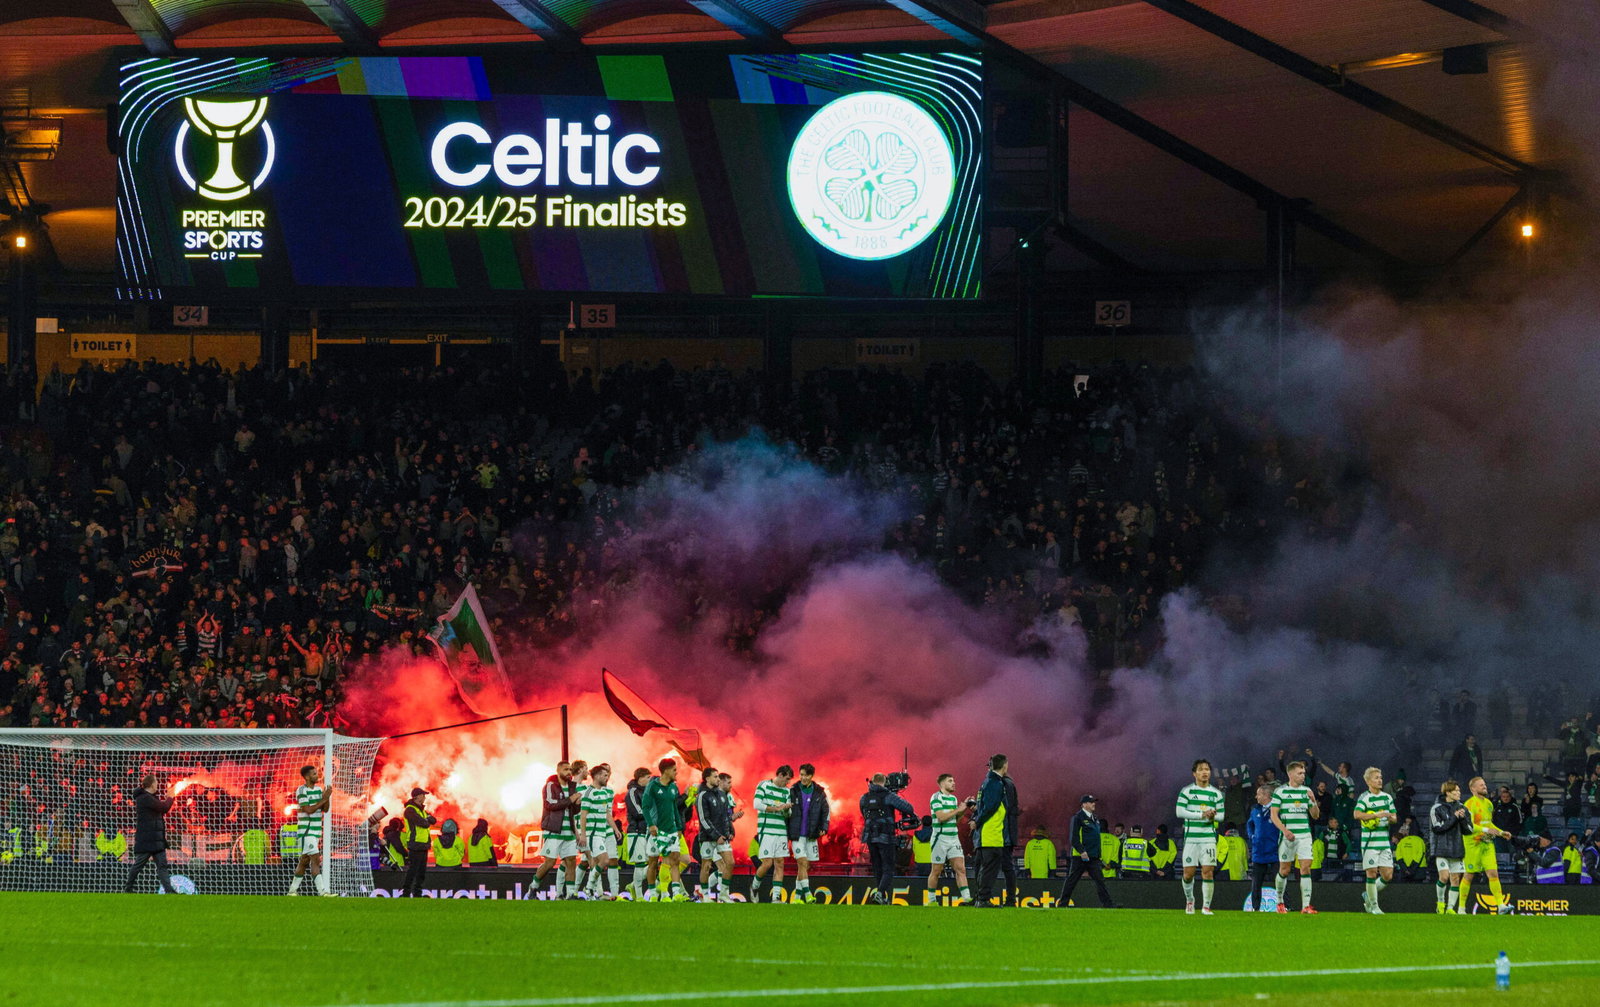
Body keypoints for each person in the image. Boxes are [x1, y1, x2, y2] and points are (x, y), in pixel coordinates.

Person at [1459, 775, 1514, 915]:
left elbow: (1488, 823)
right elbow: (1470, 825)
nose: (1484, 786)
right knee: (1469, 875)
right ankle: (1461, 908)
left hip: (1487, 843)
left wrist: (1501, 832)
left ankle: (1500, 905)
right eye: (1481, 785)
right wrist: (1486, 830)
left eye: (1484, 784)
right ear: (1473, 789)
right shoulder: (1469, 805)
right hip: (1473, 844)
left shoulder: (1489, 804)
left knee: (1493, 873)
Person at [1175, 758, 1224, 915]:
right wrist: (1202, 814)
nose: (1205, 772)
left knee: (1208, 871)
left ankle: (1206, 906)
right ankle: (1190, 900)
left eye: (1207, 769)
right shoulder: (1187, 791)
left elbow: (1221, 816)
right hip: (1191, 838)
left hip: (1208, 838)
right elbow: (1180, 812)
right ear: (1194, 773)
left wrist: (1212, 816)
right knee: (1188, 874)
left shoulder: (1216, 793)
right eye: (1201, 769)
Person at [1270, 760, 1319, 914]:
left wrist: (1314, 801)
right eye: (1299, 773)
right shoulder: (1280, 792)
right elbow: (1274, 815)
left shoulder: (1307, 791)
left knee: (1305, 868)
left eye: (1304, 773)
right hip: (1287, 837)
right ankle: (1279, 901)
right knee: (1284, 870)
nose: (1303, 776)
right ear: (1290, 774)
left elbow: (1315, 816)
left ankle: (1305, 906)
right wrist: (1285, 831)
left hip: (1304, 835)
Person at [971, 754, 1019, 908]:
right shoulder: (996, 783)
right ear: (1005, 766)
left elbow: (995, 807)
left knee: (989, 866)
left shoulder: (994, 782)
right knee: (990, 866)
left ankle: (984, 897)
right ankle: (983, 898)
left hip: (996, 833)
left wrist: (977, 819)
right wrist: (978, 818)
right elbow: (995, 807)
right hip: (993, 832)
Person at [860, 772, 916, 905]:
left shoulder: (864, 797)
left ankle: (882, 896)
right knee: (888, 867)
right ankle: (880, 894)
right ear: (885, 782)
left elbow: (863, 814)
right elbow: (909, 808)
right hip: (886, 837)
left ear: (872, 782)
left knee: (877, 867)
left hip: (870, 837)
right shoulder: (889, 796)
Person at [1055, 795, 1116, 908]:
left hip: (1093, 857)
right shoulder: (1078, 818)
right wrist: (1082, 851)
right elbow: (1073, 838)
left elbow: (1096, 838)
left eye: (1094, 802)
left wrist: (1098, 855)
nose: (1094, 804)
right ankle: (1063, 904)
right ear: (1084, 804)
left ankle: (1108, 905)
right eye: (1091, 802)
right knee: (1072, 880)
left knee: (1100, 881)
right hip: (1081, 856)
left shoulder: (1095, 818)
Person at [532, 761, 582, 899]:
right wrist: (571, 799)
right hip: (554, 830)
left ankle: (570, 894)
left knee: (571, 861)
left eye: (570, 770)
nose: (569, 772)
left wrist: (578, 804)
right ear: (558, 770)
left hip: (569, 831)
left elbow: (574, 810)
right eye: (566, 769)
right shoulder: (550, 785)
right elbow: (549, 804)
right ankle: (533, 886)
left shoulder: (573, 787)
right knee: (550, 863)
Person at [1352, 766, 1398, 914]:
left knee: (1388, 875)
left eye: (1380, 778)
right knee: (1371, 873)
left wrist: (1390, 818)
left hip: (1384, 842)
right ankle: (1374, 906)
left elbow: (1394, 818)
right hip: (1369, 842)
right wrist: (1375, 816)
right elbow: (1357, 814)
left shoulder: (1387, 797)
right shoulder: (1364, 798)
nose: (1380, 780)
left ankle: (1368, 894)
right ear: (1368, 781)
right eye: (1376, 778)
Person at [642, 758, 689, 902]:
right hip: (656, 831)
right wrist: (651, 825)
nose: (677, 772)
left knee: (674, 860)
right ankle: (653, 893)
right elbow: (645, 806)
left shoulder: (674, 787)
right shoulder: (653, 786)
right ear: (666, 770)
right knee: (653, 863)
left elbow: (675, 808)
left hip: (671, 830)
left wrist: (679, 826)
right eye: (674, 769)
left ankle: (674, 894)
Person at [123, 775, 176, 894]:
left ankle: (169, 891)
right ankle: (128, 888)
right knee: (138, 865)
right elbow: (164, 808)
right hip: (148, 839)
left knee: (162, 866)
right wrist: (170, 797)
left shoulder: (150, 797)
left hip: (156, 839)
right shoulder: (144, 798)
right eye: (156, 782)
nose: (158, 784)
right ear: (152, 784)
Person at [928, 773, 975, 905]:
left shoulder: (953, 799)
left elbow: (956, 820)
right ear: (942, 784)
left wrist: (963, 809)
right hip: (940, 838)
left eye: (954, 780)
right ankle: (931, 900)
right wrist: (957, 810)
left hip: (953, 838)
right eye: (950, 781)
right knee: (936, 870)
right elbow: (941, 817)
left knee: (961, 868)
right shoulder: (936, 797)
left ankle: (966, 898)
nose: (953, 783)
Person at [787, 763, 830, 905]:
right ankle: (808, 894)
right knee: (802, 862)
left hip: (811, 835)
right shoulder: (793, 790)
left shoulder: (819, 792)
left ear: (812, 776)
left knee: (805, 866)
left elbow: (826, 811)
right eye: (801, 774)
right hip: (797, 834)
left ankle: (797, 898)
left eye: (806, 775)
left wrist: (824, 826)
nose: (803, 777)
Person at [751, 765, 795, 903]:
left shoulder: (787, 792)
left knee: (780, 863)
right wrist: (776, 808)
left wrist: (786, 810)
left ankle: (776, 897)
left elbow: (788, 814)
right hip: (766, 830)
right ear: (780, 775)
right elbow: (756, 804)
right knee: (767, 863)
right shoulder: (763, 785)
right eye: (787, 779)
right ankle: (754, 886)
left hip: (781, 831)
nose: (787, 782)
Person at [287, 763, 330, 896]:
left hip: (316, 831)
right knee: (316, 859)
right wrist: (324, 798)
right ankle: (322, 892)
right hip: (306, 831)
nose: (317, 775)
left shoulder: (318, 789)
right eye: (314, 774)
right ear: (306, 777)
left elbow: (325, 809)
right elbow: (309, 810)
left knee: (304, 862)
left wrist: (326, 798)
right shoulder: (301, 790)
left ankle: (292, 891)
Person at [695, 769, 736, 903]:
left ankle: (724, 893)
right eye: (715, 777)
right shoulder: (702, 795)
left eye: (718, 777)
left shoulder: (722, 794)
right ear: (707, 779)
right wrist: (715, 835)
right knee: (706, 866)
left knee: (730, 863)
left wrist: (729, 831)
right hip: (707, 837)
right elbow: (703, 819)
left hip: (722, 837)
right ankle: (705, 895)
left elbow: (726, 816)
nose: (718, 779)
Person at [580, 764, 619, 899]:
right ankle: (589, 887)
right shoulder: (588, 793)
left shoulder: (603, 792)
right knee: (604, 860)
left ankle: (590, 889)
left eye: (607, 775)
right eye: (604, 775)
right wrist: (583, 835)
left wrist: (615, 828)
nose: (607, 777)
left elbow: (607, 813)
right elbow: (583, 815)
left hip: (602, 834)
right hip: (593, 834)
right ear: (596, 776)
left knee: (598, 862)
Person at [1243, 785, 1279, 911]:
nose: (1256, 797)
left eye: (1258, 794)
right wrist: (1252, 836)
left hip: (1275, 851)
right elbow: (1249, 825)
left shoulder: (1277, 810)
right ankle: (1255, 908)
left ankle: (1285, 906)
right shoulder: (1255, 810)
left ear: (1266, 795)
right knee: (1256, 883)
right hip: (1259, 851)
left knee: (1280, 881)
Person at [400, 787, 435, 898]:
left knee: (421, 872)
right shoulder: (410, 810)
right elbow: (424, 823)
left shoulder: (421, 810)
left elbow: (433, 820)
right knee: (413, 871)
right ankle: (406, 893)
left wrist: (426, 819)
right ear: (417, 796)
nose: (424, 797)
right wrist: (426, 820)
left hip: (423, 844)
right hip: (415, 844)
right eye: (423, 795)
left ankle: (417, 893)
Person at [623, 766, 651, 890]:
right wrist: (653, 816)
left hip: (647, 831)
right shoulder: (633, 792)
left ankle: (633, 886)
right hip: (637, 831)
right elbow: (637, 812)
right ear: (640, 778)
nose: (650, 780)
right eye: (648, 777)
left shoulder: (647, 792)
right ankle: (639, 895)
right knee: (640, 864)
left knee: (652, 862)